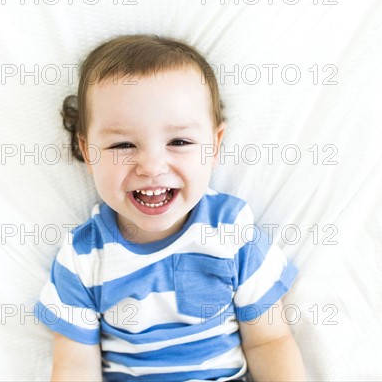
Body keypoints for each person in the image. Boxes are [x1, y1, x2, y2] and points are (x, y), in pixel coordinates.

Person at [35, 34, 306, 381]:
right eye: (122, 144)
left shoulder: (231, 231)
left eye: (179, 141)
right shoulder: (82, 258)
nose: (151, 166)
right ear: (89, 153)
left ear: (213, 145)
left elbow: (269, 342)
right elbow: (74, 366)